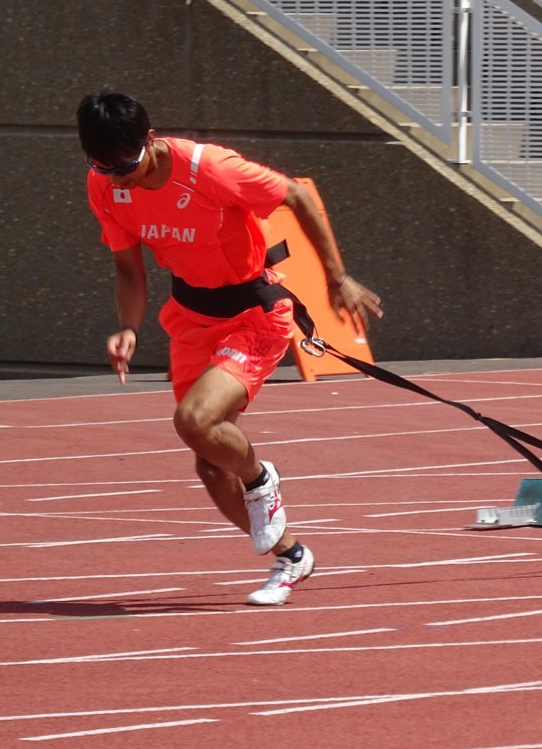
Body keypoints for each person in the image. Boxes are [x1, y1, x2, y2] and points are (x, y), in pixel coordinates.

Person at [76, 89, 382, 606]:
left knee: (194, 421)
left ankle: (262, 478)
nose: (117, 178)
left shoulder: (210, 169)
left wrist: (337, 277)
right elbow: (127, 268)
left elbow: (296, 196)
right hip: (192, 317)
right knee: (210, 465)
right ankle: (292, 556)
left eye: (125, 165)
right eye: (102, 166)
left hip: (253, 315)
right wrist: (128, 327)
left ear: (150, 139)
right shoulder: (105, 186)